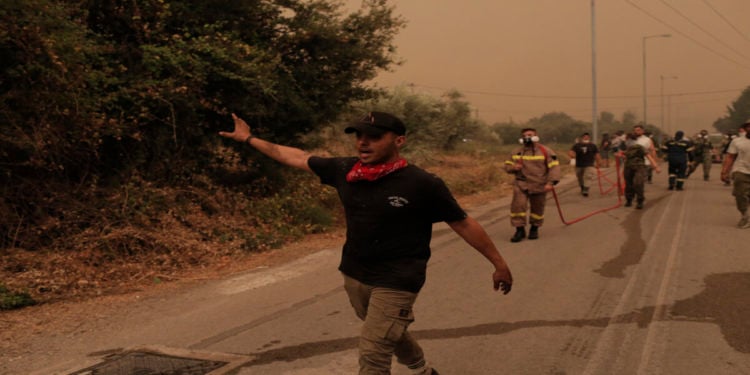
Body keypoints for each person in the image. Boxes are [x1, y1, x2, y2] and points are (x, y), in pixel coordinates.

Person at [219, 111, 513, 374]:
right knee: (389, 332)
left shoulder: (423, 183)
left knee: (373, 355)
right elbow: (294, 156)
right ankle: (421, 369)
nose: (363, 142)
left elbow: (462, 222)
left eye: (374, 137)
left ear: (399, 141)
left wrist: (499, 263)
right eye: (359, 135)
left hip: (399, 277)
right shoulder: (345, 170)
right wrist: (248, 138)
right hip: (355, 272)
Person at [504, 128, 561, 242]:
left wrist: (551, 182)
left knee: (538, 208)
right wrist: (513, 167)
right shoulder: (516, 152)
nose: (527, 137)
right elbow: (507, 166)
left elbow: (554, 167)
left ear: (536, 136)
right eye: (525, 135)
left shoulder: (546, 151)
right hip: (521, 184)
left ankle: (534, 228)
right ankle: (519, 230)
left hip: (539, 184)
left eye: (530, 135)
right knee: (518, 207)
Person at [720, 120, 750, 229]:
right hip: (741, 171)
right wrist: (724, 172)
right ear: (745, 128)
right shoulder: (737, 141)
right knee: (740, 195)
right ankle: (745, 215)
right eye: (748, 126)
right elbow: (730, 157)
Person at [620, 131, 661, 209]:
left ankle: (640, 201)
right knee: (628, 185)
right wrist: (621, 155)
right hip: (628, 167)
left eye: (627, 139)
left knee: (638, 183)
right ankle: (629, 200)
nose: (626, 141)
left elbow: (648, 156)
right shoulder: (627, 148)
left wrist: (656, 167)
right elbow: (626, 155)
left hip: (639, 167)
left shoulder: (639, 147)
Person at [568, 132, 602, 197]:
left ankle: (586, 190)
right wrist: (572, 155)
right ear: (582, 138)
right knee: (580, 177)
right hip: (579, 164)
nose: (586, 137)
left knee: (588, 176)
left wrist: (598, 163)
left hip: (589, 164)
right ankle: (582, 187)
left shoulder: (593, 145)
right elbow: (571, 151)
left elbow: (597, 154)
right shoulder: (577, 145)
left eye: (587, 136)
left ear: (589, 138)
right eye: (584, 136)